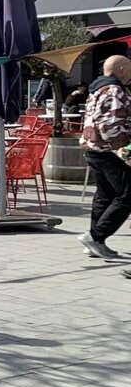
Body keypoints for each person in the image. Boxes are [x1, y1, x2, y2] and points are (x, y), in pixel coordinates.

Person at [79, 56, 131, 259]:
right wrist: (124, 149)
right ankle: (95, 236)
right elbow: (110, 125)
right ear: (121, 68)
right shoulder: (114, 90)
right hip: (108, 151)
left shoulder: (96, 89)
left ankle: (95, 242)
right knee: (127, 195)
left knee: (105, 195)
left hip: (93, 149)